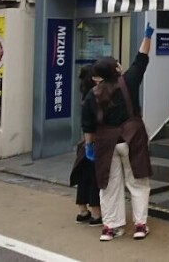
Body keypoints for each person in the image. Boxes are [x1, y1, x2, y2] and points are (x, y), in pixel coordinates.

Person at [82, 23, 155, 241]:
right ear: (116, 70)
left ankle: (111, 228)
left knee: (109, 185)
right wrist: (147, 36)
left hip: (106, 144)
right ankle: (140, 226)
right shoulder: (129, 81)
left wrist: (88, 146)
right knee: (138, 182)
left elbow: (88, 125)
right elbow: (142, 58)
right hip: (132, 140)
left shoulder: (92, 94)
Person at [70, 65, 102, 226]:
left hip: (85, 144)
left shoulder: (85, 96)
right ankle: (96, 214)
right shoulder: (96, 97)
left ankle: (82, 210)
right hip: (95, 142)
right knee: (95, 178)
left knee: (84, 177)